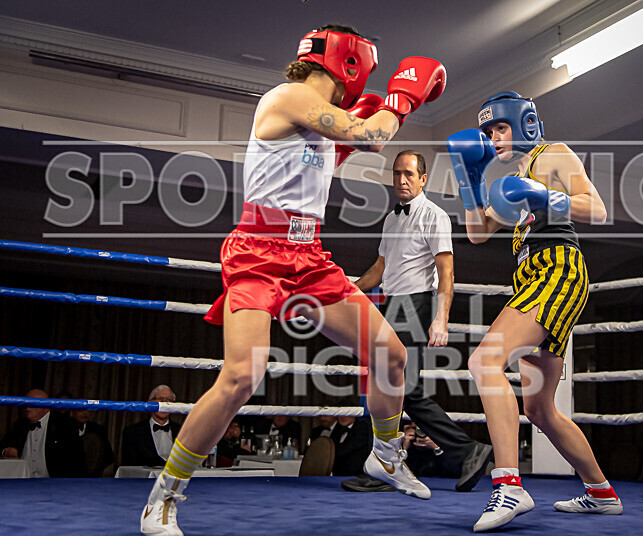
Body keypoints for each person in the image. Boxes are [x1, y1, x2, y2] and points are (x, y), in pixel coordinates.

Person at [140, 24, 446, 535]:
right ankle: (164, 496)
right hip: (257, 253)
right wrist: (402, 97)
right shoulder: (289, 96)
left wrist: (354, 133)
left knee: (391, 354)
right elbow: (371, 134)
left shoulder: (318, 127)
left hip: (309, 256)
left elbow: (333, 149)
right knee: (241, 377)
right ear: (352, 64)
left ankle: (387, 455)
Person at [447, 92, 618, 532]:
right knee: (540, 409)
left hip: (558, 270)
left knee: (484, 360)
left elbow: (598, 209)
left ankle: (509, 484)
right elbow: (478, 234)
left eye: (499, 129)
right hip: (532, 278)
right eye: (487, 133)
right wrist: (469, 178)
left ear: (522, 124)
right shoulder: (506, 179)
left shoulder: (553, 154)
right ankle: (601, 492)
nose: (493, 138)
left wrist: (545, 196)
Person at [342, 150, 492, 494]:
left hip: (417, 305)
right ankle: (381, 465)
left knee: (403, 388)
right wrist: (346, 289)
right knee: (382, 387)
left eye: (409, 174)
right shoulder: (391, 219)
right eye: (397, 174)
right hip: (391, 305)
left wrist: (441, 318)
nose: (402, 180)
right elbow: (380, 268)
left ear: (423, 179)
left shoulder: (435, 215)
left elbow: (447, 271)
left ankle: (467, 449)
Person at [0, 389, 86, 477]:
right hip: (22, 481)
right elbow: (2, 447)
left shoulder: (65, 425)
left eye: (31, 404)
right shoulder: (20, 425)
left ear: (46, 406)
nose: (27, 408)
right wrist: (5, 451)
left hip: (53, 484)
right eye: (25, 404)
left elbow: (77, 461)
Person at [123, 385, 182, 467]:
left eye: (169, 400)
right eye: (160, 399)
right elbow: (129, 468)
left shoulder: (183, 431)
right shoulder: (133, 432)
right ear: (149, 403)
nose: (164, 404)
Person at [70, 407, 115, 477]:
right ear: (72, 412)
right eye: (81, 410)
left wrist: (95, 470)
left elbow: (109, 456)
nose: (85, 413)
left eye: (87, 410)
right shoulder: (63, 428)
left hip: (93, 479)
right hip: (68, 478)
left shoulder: (99, 430)